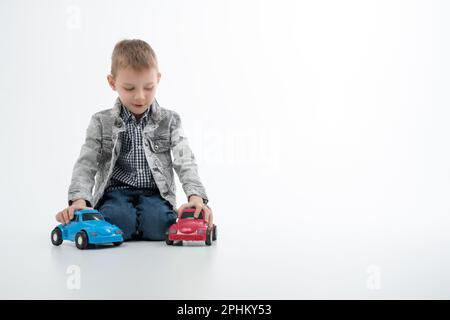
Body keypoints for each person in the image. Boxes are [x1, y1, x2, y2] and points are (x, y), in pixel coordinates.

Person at [55, 39, 213, 241]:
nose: (140, 97)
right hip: (116, 193)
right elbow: (86, 163)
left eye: (149, 87)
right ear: (112, 83)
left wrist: (195, 197)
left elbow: (185, 160)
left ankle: (144, 222)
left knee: (160, 227)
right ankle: (129, 222)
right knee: (116, 220)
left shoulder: (170, 120)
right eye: (129, 88)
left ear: (158, 79)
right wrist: (79, 200)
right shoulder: (101, 121)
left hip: (155, 194)